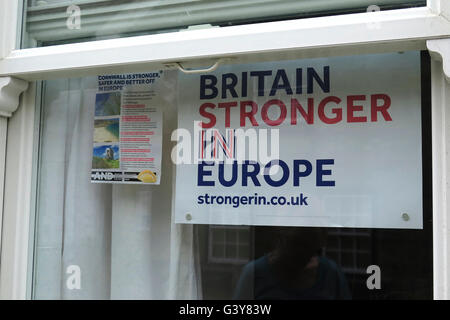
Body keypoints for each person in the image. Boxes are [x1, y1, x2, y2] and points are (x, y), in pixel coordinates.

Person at [233, 227, 351, 300]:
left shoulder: (331, 273)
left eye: (310, 249)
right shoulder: (254, 273)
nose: (304, 256)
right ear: (282, 240)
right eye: (298, 245)